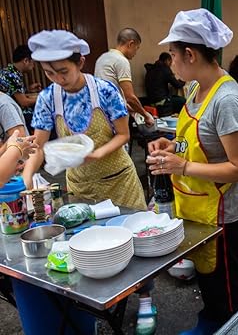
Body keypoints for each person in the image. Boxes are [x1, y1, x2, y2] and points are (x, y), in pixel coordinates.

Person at [21, 30, 155, 335]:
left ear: (80, 61)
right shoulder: (47, 97)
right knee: (93, 248)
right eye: (49, 73)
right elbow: (38, 147)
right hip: (81, 186)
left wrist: (98, 153)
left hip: (118, 179)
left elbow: (123, 135)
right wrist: (26, 182)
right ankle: (100, 306)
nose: (58, 79)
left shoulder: (104, 90)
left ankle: (146, 298)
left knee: (136, 243)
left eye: (63, 71)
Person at [147, 9, 238, 334]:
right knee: (210, 287)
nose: (171, 63)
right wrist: (171, 146)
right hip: (197, 209)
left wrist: (183, 166)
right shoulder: (194, 90)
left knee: (228, 295)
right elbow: (197, 143)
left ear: (190, 54)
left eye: (173, 56)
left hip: (222, 217)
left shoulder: (227, 100)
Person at [95, 28, 155, 126]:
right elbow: (129, 97)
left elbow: (112, 93)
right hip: (114, 119)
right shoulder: (121, 60)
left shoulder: (102, 58)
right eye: (137, 48)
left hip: (101, 115)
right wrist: (146, 115)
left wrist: (134, 110)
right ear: (131, 44)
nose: (135, 53)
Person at [0, 45, 42, 132]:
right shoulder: (12, 76)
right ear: (26, 61)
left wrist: (28, 90)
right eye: (33, 62)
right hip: (11, 115)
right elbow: (24, 102)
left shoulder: (9, 71)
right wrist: (43, 97)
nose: (33, 66)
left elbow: (13, 94)